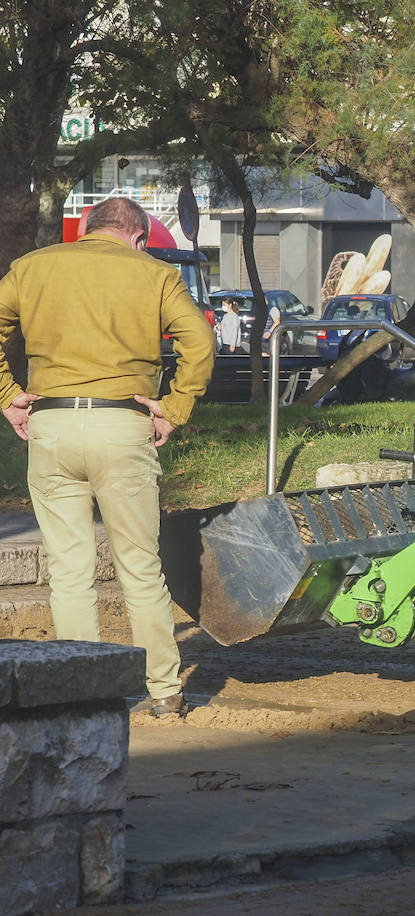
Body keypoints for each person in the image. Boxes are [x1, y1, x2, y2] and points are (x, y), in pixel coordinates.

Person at [0, 197, 216, 716]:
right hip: (124, 424)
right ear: (138, 236)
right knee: (140, 569)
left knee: (68, 571)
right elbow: (200, 342)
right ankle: (163, 690)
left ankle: (82, 689)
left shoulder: (32, 268)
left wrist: (8, 395)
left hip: (50, 424)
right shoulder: (156, 274)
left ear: (87, 230)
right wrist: (174, 407)